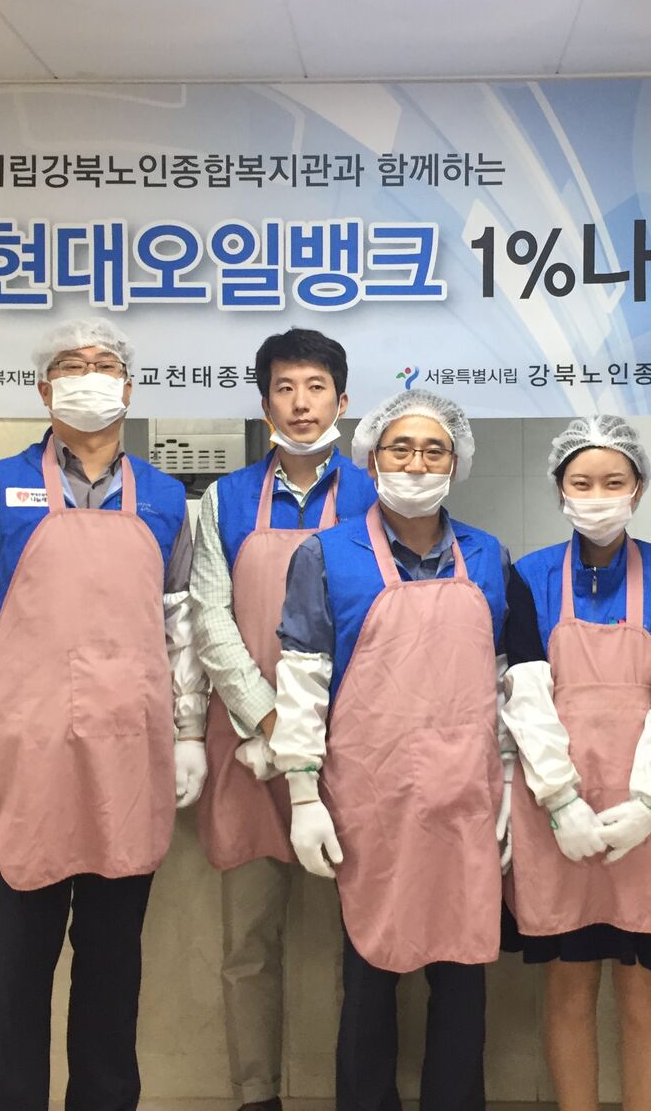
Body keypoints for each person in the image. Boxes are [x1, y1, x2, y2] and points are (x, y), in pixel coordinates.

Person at [0, 317, 208, 1111]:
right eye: (72, 365)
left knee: (113, 962)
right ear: (45, 388)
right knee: (19, 961)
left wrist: (190, 730)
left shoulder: (165, 499)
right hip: (25, 758)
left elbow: (181, 627)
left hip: (130, 753)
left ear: (129, 387)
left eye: (105, 363)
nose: (90, 376)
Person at [270, 389, 511, 1111]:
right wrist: (303, 792)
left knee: (463, 976)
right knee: (369, 974)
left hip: (466, 798)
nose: (416, 463)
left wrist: (508, 780)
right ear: (371, 459)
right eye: (400, 448)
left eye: (434, 450)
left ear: (456, 463)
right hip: (370, 802)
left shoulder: (487, 556)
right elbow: (303, 681)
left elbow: (502, 681)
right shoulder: (325, 554)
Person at [501, 414, 651, 1111]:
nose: (597, 496)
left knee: (646, 993)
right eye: (582, 482)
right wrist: (560, 799)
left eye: (613, 482)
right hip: (558, 814)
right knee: (568, 989)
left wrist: (650, 803)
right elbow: (525, 695)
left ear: (637, 489)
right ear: (560, 489)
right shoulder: (529, 577)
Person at [189, 327, 378, 1111]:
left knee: (365, 939)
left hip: (352, 748)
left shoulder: (378, 495)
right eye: (284, 388)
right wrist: (269, 721)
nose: (301, 403)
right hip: (248, 747)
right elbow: (210, 619)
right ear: (265, 402)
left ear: (343, 398)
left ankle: (358, 1092)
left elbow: (387, 627)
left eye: (316, 387)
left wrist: (321, 733)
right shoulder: (225, 500)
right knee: (248, 944)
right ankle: (255, 1095)